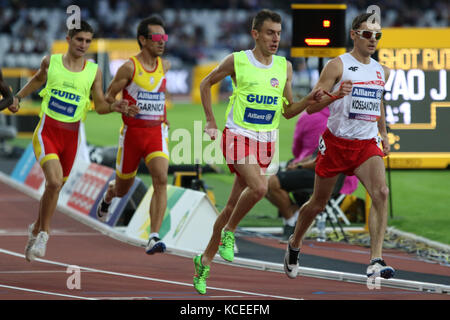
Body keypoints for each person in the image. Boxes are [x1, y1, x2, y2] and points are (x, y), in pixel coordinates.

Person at [192, 9, 323, 295]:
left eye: (278, 33)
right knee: (260, 187)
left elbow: (288, 111)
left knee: (230, 206)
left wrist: (308, 99)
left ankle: (204, 260)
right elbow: (205, 83)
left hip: (265, 141)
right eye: (269, 33)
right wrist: (211, 121)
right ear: (255, 34)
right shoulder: (238, 60)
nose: (275, 38)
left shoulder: (283, 67)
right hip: (236, 136)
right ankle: (229, 233)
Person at [7, 21, 138, 262]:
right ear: (68, 39)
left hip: (71, 138)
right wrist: (18, 97)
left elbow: (99, 105)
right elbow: (37, 80)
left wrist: (115, 107)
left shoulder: (93, 71)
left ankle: (36, 228)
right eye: (79, 40)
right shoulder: (52, 62)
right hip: (47, 132)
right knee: (54, 182)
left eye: (88, 41)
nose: (84, 45)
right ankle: (45, 233)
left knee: (54, 187)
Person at [283, 13, 395, 280]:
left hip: (366, 144)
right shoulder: (337, 66)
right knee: (318, 204)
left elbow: (378, 102)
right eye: (367, 34)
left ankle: (376, 260)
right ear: (354, 34)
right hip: (336, 144)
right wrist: (335, 94)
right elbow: (312, 108)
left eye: (377, 35)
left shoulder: (382, 71)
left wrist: (383, 133)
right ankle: (295, 243)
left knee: (381, 192)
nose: (373, 40)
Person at [95, 15, 171, 255]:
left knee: (160, 179)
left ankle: (154, 236)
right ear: (142, 40)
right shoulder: (129, 67)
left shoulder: (165, 65)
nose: (162, 42)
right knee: (122, 189)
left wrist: (164, 115)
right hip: (132, 136)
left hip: (156, 133)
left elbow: (159, 94)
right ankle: (109, 195)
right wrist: (120, 105)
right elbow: (108, 95)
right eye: (157, 37)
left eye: (164, 37)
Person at [266, 107, 359, 242]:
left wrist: (298, 165)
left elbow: (322, 160)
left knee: (271, 182)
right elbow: (316, 154)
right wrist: (297, 164)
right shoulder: (339, 124)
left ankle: (292, 221)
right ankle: (295, 214)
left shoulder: (338, 128)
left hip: (326, 178)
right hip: (332, 176)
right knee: (262, 184)